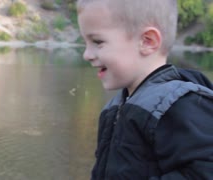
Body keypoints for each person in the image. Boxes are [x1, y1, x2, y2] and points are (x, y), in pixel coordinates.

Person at [76, 0, 213, 179]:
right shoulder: (114, 108)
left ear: (147, 41)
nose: (87, 55)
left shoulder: (180, 105)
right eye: (85, 43)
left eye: (98, 42)